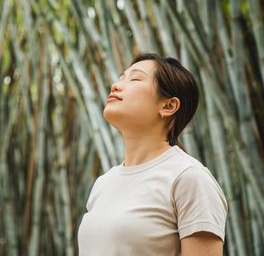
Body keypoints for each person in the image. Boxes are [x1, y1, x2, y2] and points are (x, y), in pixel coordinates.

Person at [77, 53, 228, 256]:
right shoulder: (103, 184)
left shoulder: (188, 178)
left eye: (135, 79)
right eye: (121, 77)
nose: (115, 85)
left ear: (168, 106)